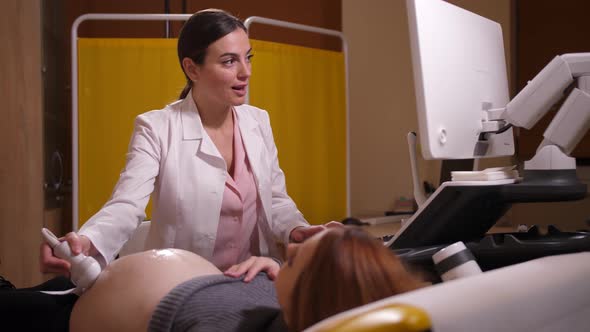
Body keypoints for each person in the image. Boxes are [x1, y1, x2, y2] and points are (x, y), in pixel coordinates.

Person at [41, 8, 333, 280]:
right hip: (183, 283)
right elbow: (127, 205)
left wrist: (297, 229)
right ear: (192, 69)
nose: (246, 72)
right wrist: (87, 240)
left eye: (248, 57)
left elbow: (275, 198)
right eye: (230, 61)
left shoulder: (258, 122)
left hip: (252, 278)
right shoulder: (157, 127)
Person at [67, 227, 423, 332]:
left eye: (292, 263)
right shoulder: (299, 307)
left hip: (96, 305)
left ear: (309, 297)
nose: (244, 72)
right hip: (193, 273)